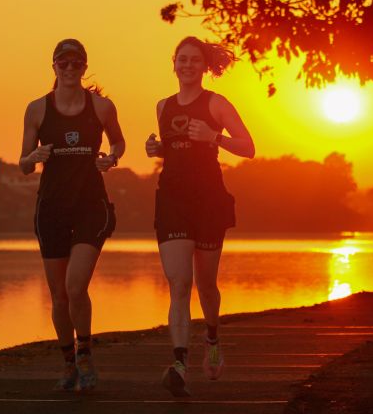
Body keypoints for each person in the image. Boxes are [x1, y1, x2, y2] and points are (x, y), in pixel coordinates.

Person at [145, 36, 255, 396]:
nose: (187, 65)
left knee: (206, 284)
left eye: (194, 60)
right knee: (179, 284)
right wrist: (157, 149)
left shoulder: (216, 104)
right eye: (182, 59)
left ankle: (212, 337)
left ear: (204, 66)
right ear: (173, 64)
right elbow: (174, 151)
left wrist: (215, 138)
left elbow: (249, 147)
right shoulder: (162, 106)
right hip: (172, 200)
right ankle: (179, 362)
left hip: (208, 200)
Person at [19, 39, 125, 391]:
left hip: (90, 206)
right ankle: (67, 362)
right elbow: (23, 166)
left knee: (75, 286)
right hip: (51, 208)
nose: (69, 68)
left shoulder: (102, 106)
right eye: (62, 63)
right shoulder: (36, 109)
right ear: (53, 67)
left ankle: (84, 353)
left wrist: (110, 158)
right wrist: (33, 158)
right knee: (59, 296)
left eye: (75, 62)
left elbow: (118, 143)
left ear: (84, 66)